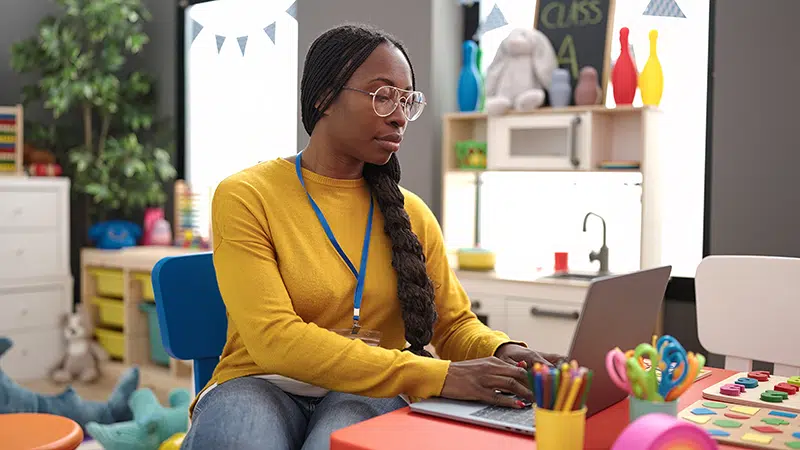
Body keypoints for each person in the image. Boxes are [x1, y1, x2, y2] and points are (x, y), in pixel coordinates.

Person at [182, 24, 561, 450]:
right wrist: (440, 376)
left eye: (407, 100)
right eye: (383, 96)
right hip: (259, 382)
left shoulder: (412, 213)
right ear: (324, 98)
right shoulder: (248, 195)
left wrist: (504, 350)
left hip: (367, 389)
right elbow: (274, 338)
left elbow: (452, 325)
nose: (400, 115)